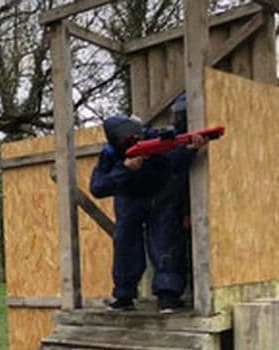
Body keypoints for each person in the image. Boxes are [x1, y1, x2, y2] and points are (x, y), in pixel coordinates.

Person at [89, 113, 208, 314]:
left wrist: (191, 150)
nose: (132, 140)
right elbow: (98, 187)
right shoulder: (110, 153)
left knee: (165, 240)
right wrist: (125, 169)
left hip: (162, 194)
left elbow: (174, 164)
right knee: (126, 242)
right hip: (129, 196)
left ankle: (168, 296)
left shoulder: (155, 140)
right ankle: (124, 296)